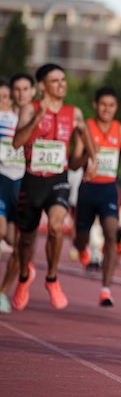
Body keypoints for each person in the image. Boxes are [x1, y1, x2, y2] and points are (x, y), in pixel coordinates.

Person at [11, 63, 97, 312]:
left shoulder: (75, 113)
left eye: (63, 80)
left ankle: (52, 278)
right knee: (26, 240)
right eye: (56, 81)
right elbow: (17, 142)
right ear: (42, 86)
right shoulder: (30, 109)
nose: (62, 84)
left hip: (57, 180)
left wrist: (93, 159)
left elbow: (86, 137)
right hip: (32, 180)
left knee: (57, 227)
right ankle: (25, 279)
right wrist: (36, 120)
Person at [70, 86, 121, 307]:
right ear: (95, 105)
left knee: (111, 233)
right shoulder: (85, 129)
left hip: (109, 189)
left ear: (116, 108)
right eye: (103, 105)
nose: (107, 109)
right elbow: (73, 163)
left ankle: (106, 289)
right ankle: (82, 249)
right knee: (81, 239)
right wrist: (91, 155)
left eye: (111, 105)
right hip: (87, 189)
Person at [0, 73, 36, 314]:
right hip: (2, 179)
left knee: (17, 243)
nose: (2, 100)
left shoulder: (24, 116)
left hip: (22, 182)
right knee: (1, 231)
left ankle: (3, 292)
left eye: (4, 96)